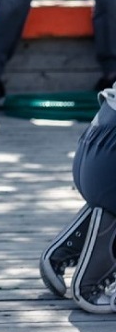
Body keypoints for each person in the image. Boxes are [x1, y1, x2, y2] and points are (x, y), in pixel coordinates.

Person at [41, 87, 116, 313]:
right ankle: (92, 279)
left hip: (93, 147)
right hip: (110, 163)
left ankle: (70, 244)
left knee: (109, 196)